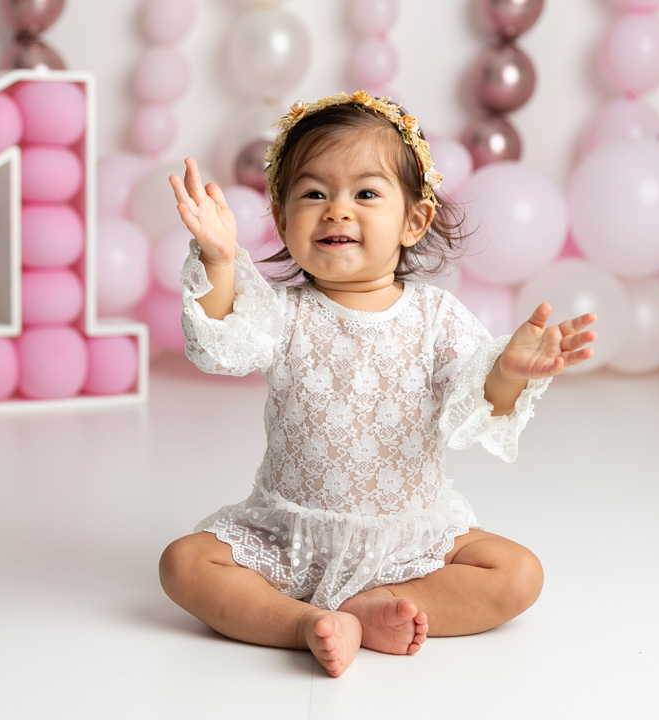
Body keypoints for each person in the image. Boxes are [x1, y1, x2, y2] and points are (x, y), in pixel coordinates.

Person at [159, 91, 597, 678]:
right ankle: (299, 622)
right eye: (313, 194)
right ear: (283, 220)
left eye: (365, 194)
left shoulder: (435, 317)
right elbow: (220, 344)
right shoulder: (283, 313)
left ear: (413, 221)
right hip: (290, 536)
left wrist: (507, 373)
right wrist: (218, 260)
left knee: (518, 574)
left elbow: (477, 402)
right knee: (184, 563)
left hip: (409, 541)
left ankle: (374, 604)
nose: (337, 211)